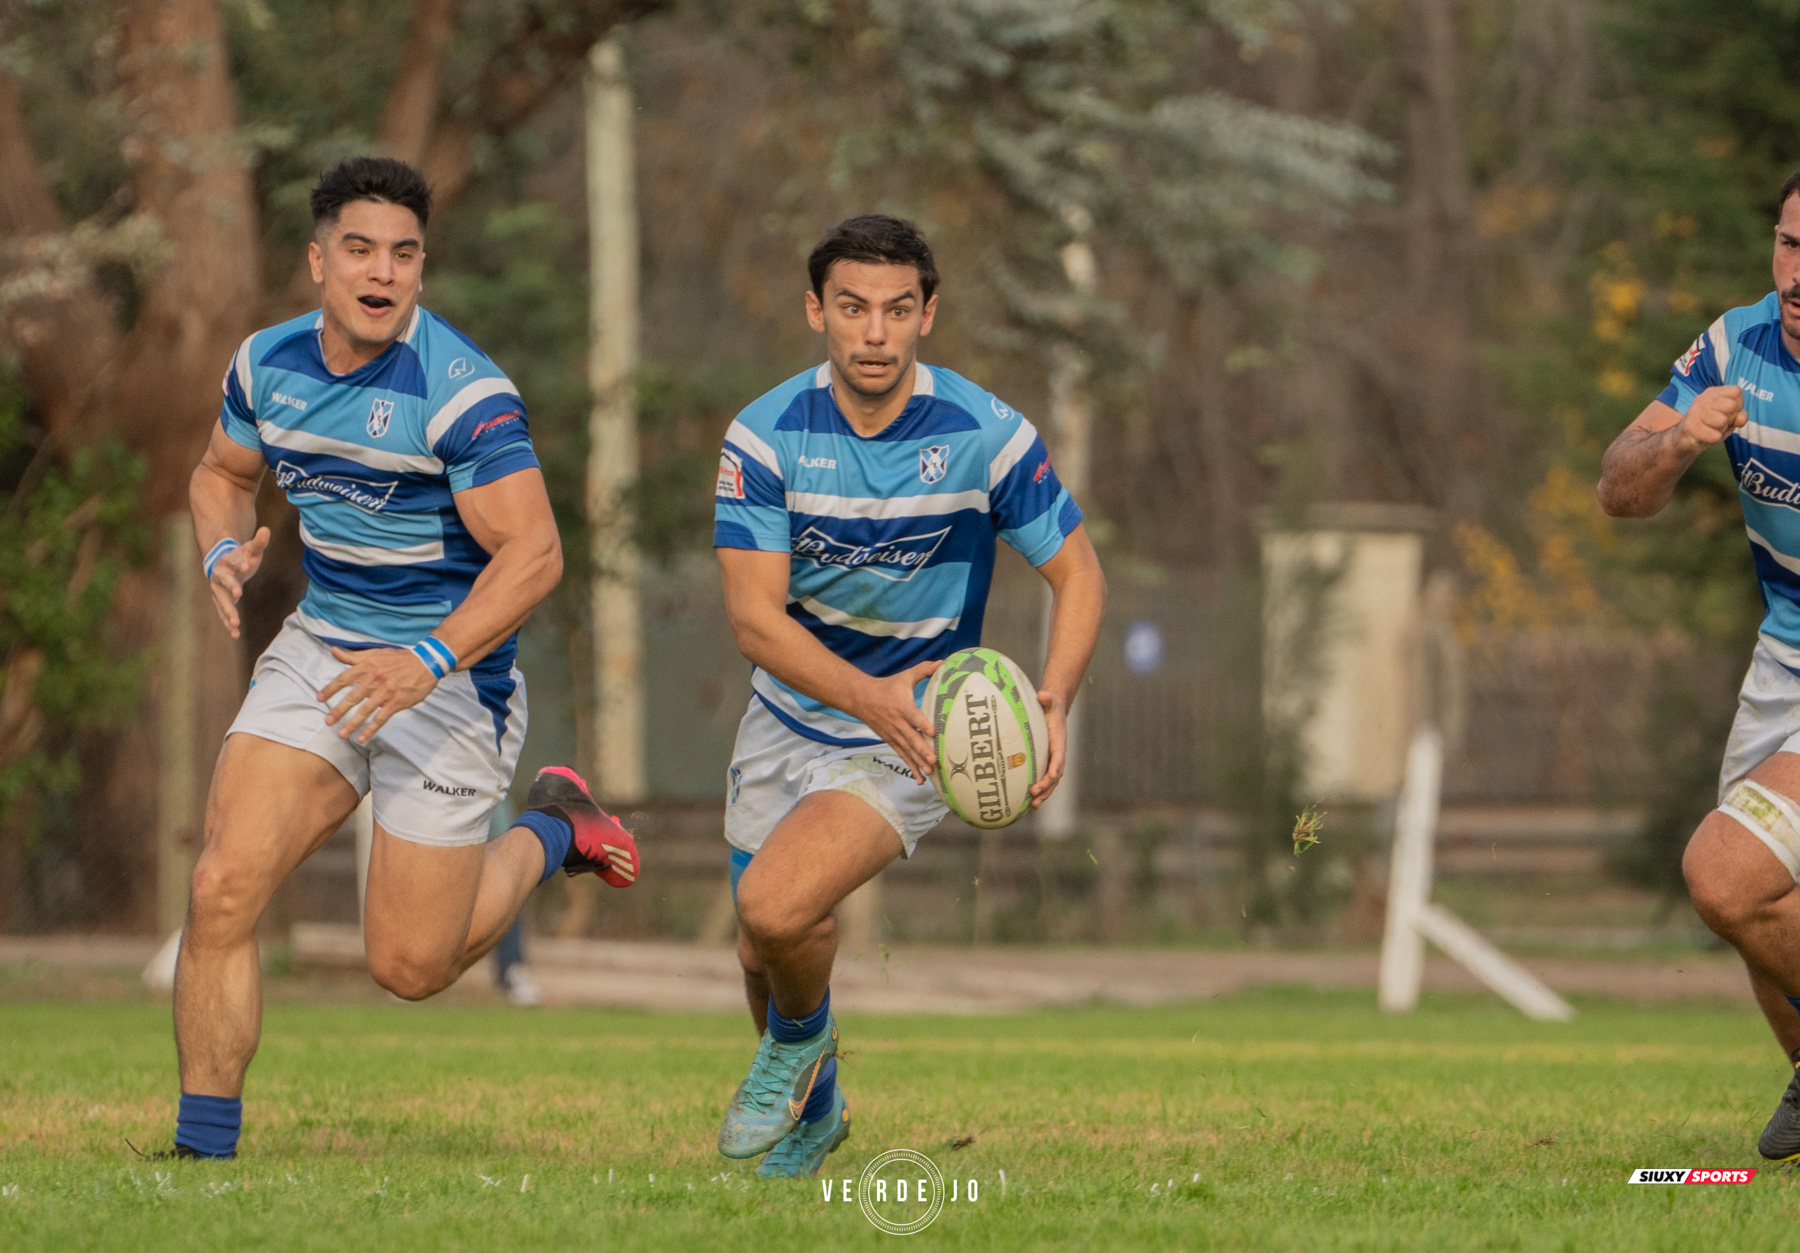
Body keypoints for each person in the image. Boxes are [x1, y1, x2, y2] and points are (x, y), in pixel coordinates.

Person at [164, 157, 638, 1160]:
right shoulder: (266, 363)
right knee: (220, 886)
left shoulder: (464, 395)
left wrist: (426, 657)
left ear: (423, 268)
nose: (382, 272)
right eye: (360, 249)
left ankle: (556, 827)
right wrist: (220, 546)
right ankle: (201, 1158)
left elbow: (536, 552)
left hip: (452, 675)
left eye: (404, 253)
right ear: (317, 262)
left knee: (411, 967)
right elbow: (219, 472)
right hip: (324, 649)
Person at [711, 214, 1107, 1177]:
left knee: (773, 902)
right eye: (853, 308)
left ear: (928, 314)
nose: (875, 332)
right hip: (791, 712)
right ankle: (819, 1108)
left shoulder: (985, 433)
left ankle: (800, 1052)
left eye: (897, 309)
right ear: (818, 312)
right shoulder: (764, 437)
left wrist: (1052, 699)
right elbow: (757, 622)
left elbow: (1081, 575)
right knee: (764, 951)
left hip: (918, 730)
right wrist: (866, 693)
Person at [1598, 167, 1800, 1161]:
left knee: (1725, 873)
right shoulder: (1734, 345)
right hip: (1784, 661)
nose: (1798, 276)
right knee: (1756, 907)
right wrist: (1680, 438)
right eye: (1791, 246)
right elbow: (1619, 491)